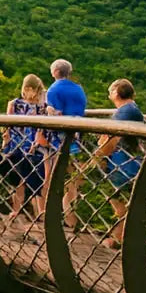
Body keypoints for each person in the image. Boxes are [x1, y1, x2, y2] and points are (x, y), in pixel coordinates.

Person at [86, 79, 145, 249]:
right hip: (131, 160)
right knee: (122, 199)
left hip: (123, 162)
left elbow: (112, 140)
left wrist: (96, 158)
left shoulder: (124, 111)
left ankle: (118, 239)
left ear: (117, 92)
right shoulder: (131, 109)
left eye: (111, 91)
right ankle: (120, 237)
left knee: (119, 199)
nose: (109, 94)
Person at [42, 58, 88, 226]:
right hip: (78, 138)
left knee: (55, 178)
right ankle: (72, 218)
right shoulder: (79, 89)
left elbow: (57, 115)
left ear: (54, 72)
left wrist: (48, 110)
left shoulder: (53, 90)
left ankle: (54, 215)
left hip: (59, 140)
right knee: (73, 182)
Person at [0, 74, 47, 221]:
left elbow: (7, 127)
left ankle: (20, 210)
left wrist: (5, 144)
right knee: (32, 180)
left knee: (21, 180)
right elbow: (42, 127)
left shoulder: (15, 103)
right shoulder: (40, 106)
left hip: (19, 145)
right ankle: (37, 213)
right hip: (28, 145)